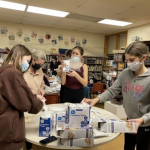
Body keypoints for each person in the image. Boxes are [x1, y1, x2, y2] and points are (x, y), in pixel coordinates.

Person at [83, 42, 150, 150]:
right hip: (130, 121)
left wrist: (142, 120)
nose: (128, 63)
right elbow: (112, 91)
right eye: (127, 60)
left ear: (143, 58)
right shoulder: (125, 73)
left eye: (131, 60)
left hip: (145, 125)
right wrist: (96, 99)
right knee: (128, 147)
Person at [0, 44, 44, 150]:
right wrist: (40, 103)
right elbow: (25, 102)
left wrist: (32, 96)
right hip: (9, 133)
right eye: (27, 61)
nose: (27, 64)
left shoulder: (4, 70)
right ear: (18, 56)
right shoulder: (12, 73)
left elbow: (14, 94)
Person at [23, 49, 46, 150]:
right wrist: (30, 91)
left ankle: (32, 144)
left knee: (35, 123)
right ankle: (27, 146)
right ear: (33, 60)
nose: (39, 66)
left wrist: (41, 88)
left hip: (36, 101)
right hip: (25, 102)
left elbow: (42, 83)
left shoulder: (40, 70)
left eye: (42, 64)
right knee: (26, 126)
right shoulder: (23, 71)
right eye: (38, 63)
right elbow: (20, 88)